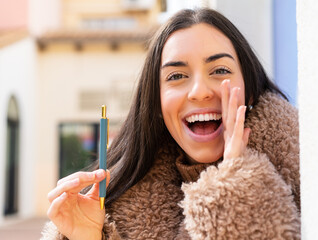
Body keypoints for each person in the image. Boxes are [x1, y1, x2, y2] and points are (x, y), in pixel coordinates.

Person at [42, 8, 300, 240]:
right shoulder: (119, 207)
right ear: (157, 102)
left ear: (250, 89)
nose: (199, 91)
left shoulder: (305, 170)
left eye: (220, 70)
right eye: (177, 76)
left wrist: (236, 186)